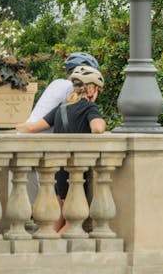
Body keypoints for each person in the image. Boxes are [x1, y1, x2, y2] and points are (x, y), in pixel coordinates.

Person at [16, 65, 106, 232]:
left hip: (58, 169)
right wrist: (100, 121)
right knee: (73, 222)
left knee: (55, 222)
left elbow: (31, 128)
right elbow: (97, 128)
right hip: (76, 172)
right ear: (91, 89)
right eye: (98, 89)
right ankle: (49, 253)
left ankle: (45, 248)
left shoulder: (61, 108)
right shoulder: (89, 107)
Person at [27, 52, 100, 124]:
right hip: (42, 134)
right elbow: (81, 117)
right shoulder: (71, 87)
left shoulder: (57, 82)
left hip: (28, 132)